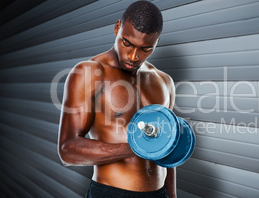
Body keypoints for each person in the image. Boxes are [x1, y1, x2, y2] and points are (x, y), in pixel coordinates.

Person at [57, 1, 176, 197]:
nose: (133, 56)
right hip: (112, 192)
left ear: (157, 42)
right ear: (117, 28)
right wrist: (137, 148)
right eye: (127, 43)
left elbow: (168, 149)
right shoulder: (90, 72)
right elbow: (67, 150)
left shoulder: (164, 81)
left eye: (146, 49)